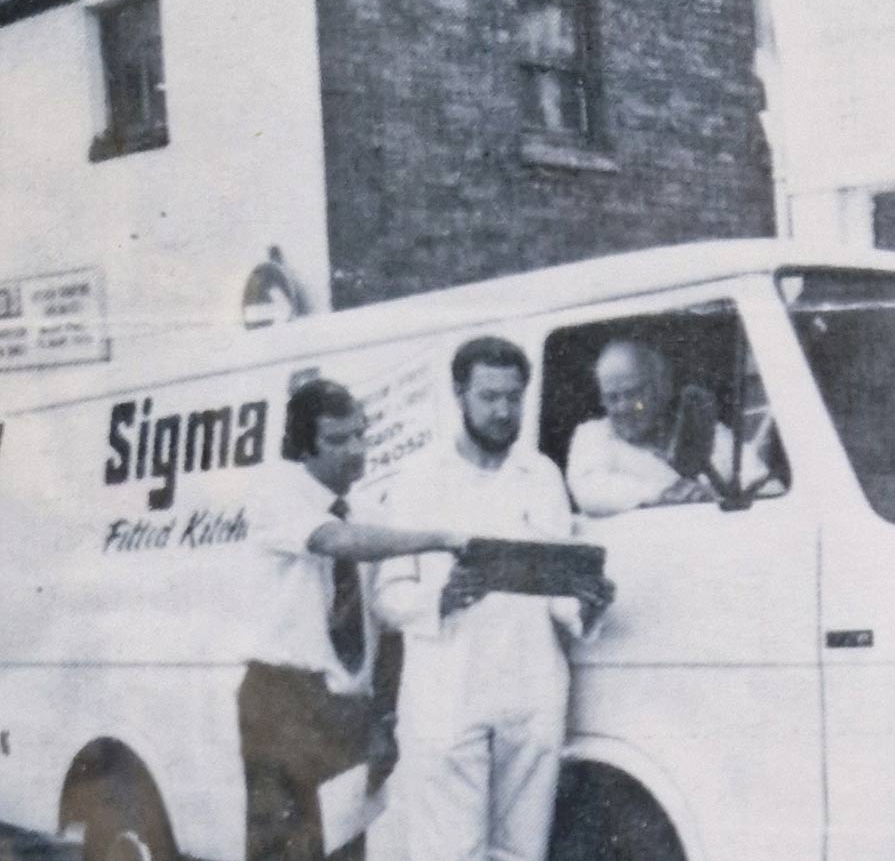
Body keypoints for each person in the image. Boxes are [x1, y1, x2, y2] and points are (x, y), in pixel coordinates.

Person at [373, 336, 615, 861]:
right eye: (489, 397)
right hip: (448, 694)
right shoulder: (419, 479)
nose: (504, 411)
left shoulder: (542, 476)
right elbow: (388, 599)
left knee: (521, 850)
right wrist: (440, 598)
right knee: (449, 852)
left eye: (514, 397)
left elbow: (557, 597)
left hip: (530, 690)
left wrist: (586, 601)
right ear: (459, 394)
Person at [240, 377, 469, 861]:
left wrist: (382, 718)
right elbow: (336, 543)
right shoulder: (276, 494)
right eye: (337, 440)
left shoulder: (368, 511)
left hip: (347, 708)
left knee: (344, 848)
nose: (356, 451)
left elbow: (384, 625)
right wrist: (441, 537)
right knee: (284, 851)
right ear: (303, 447)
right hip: (283, 698)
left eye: (361, 435)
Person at [566, 338, 770, 516]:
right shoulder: (594, 436)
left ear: (662, 387)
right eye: (612, 398)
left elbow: (763, 482)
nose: (624, 407)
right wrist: (665, 492)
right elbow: (591, 491)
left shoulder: (702, 428)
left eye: (633, 394)